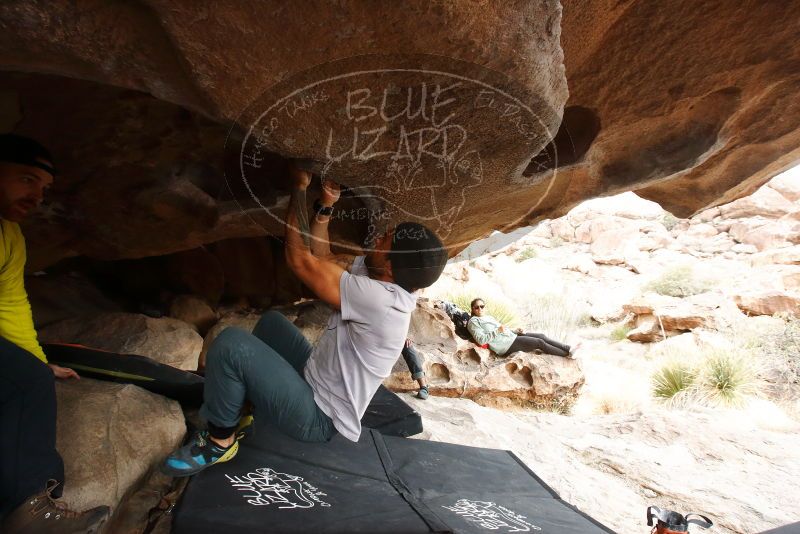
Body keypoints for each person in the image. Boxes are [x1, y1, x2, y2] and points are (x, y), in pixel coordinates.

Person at [162, 161, 448, 476]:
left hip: (318, 417)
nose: (379, 238)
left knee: (230, 343)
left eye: (386, 240)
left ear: (393, 267)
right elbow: (324, 259)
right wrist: (325, 207)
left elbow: (300, 261)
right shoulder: (383, 274)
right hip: (314, 378)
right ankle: (242, 406)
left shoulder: (384, 302)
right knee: (272, 324)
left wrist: (298, 189)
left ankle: (219, 441)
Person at [0, 134, 110, 532]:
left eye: (44, 189)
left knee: (28, 377)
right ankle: (31, 513)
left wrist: (35, 362)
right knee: (27, 383)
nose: (37, 196)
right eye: (27, 180)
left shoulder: (10, 236)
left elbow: (10, 306)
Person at [466, 298, 574, 358]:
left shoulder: (488, 317)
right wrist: (497, 331)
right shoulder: (473, 322)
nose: (480, 309)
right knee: (539, 342)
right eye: (476, 307)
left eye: (482, 306)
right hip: (505, 345)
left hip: (511, 336)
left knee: (541, 335)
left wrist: (515, 331)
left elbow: (503, 329)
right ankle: (566, 354)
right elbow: (480, 340)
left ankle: (569, 348)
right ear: (472, 309)